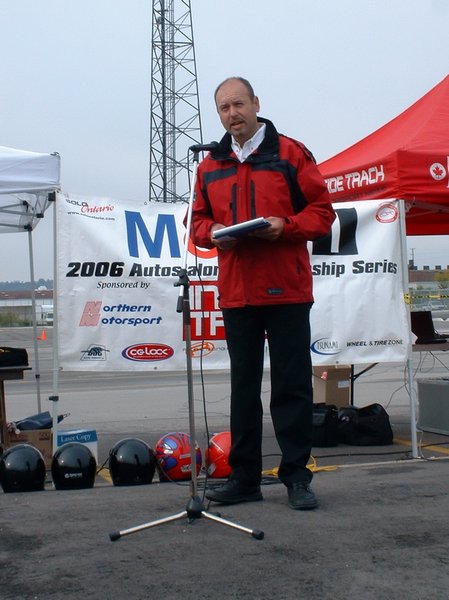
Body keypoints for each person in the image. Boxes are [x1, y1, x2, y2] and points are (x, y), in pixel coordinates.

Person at [190, 77, 335, 510]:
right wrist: (213, 233)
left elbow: (322, 213)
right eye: (222, 108)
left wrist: (285, 226)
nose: (231, 114)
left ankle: (296, 478)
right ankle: (245, 479)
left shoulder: (291, 153)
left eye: (238, 104)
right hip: (237, 293)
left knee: (292, 389)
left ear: (256, 103)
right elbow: (196, 223)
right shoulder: (210, 166)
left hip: (287, 291)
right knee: (243, 390)